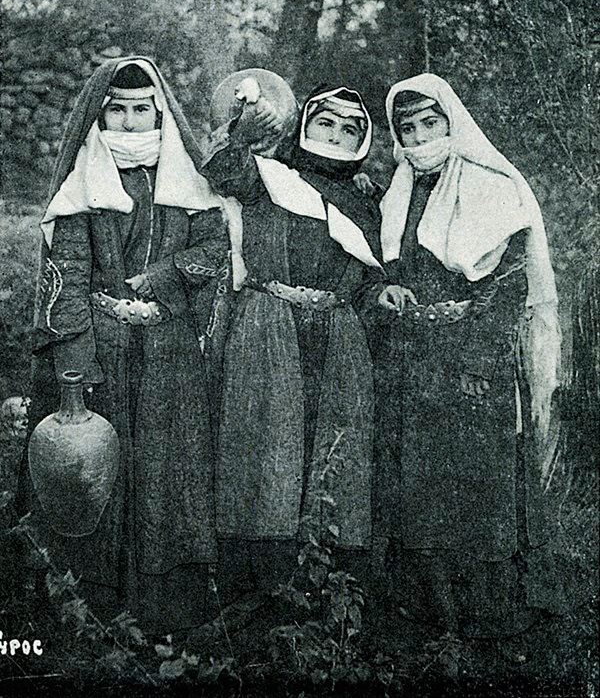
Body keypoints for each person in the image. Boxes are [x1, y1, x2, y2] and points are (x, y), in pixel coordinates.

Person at [20, 58, 229, 633]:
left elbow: (214, 250)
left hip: (170, 351)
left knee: (167, 474)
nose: (131, 122)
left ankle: (167, 612)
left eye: (142, 110)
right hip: (102, 350)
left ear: (160, 115)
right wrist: (76, 366)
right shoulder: (85, 185)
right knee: (94, 470)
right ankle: (90, 611)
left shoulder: (187, 182)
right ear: (100, 115)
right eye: (118, 109)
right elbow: (67, 278)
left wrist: (162, 280)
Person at [375, 73, 566, 639]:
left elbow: (508, 286)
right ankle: (433, 609)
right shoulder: (400, 191)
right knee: (423, 484)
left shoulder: (490, 186)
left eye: (429, 124)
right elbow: (393, 264)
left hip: (473, 359)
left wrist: (476, 362)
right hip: (416, 359)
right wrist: (392, 286)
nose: (419, 139)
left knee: (478, 484)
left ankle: (490, 612)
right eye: (408, 129)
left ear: (451, 123)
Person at [202, 83, 384, 601]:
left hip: (337, 332)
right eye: (326, 123)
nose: (336, 135)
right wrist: (242, 128)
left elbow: (369, 273)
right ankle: (256, 585)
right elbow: (221, 168)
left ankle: (324, 586)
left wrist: (377, 294)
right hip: (268, 325)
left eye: (349, 129)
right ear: (304, 125)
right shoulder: (268, 176)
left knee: (332, 451)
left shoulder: (368, 200)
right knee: (264, 450)